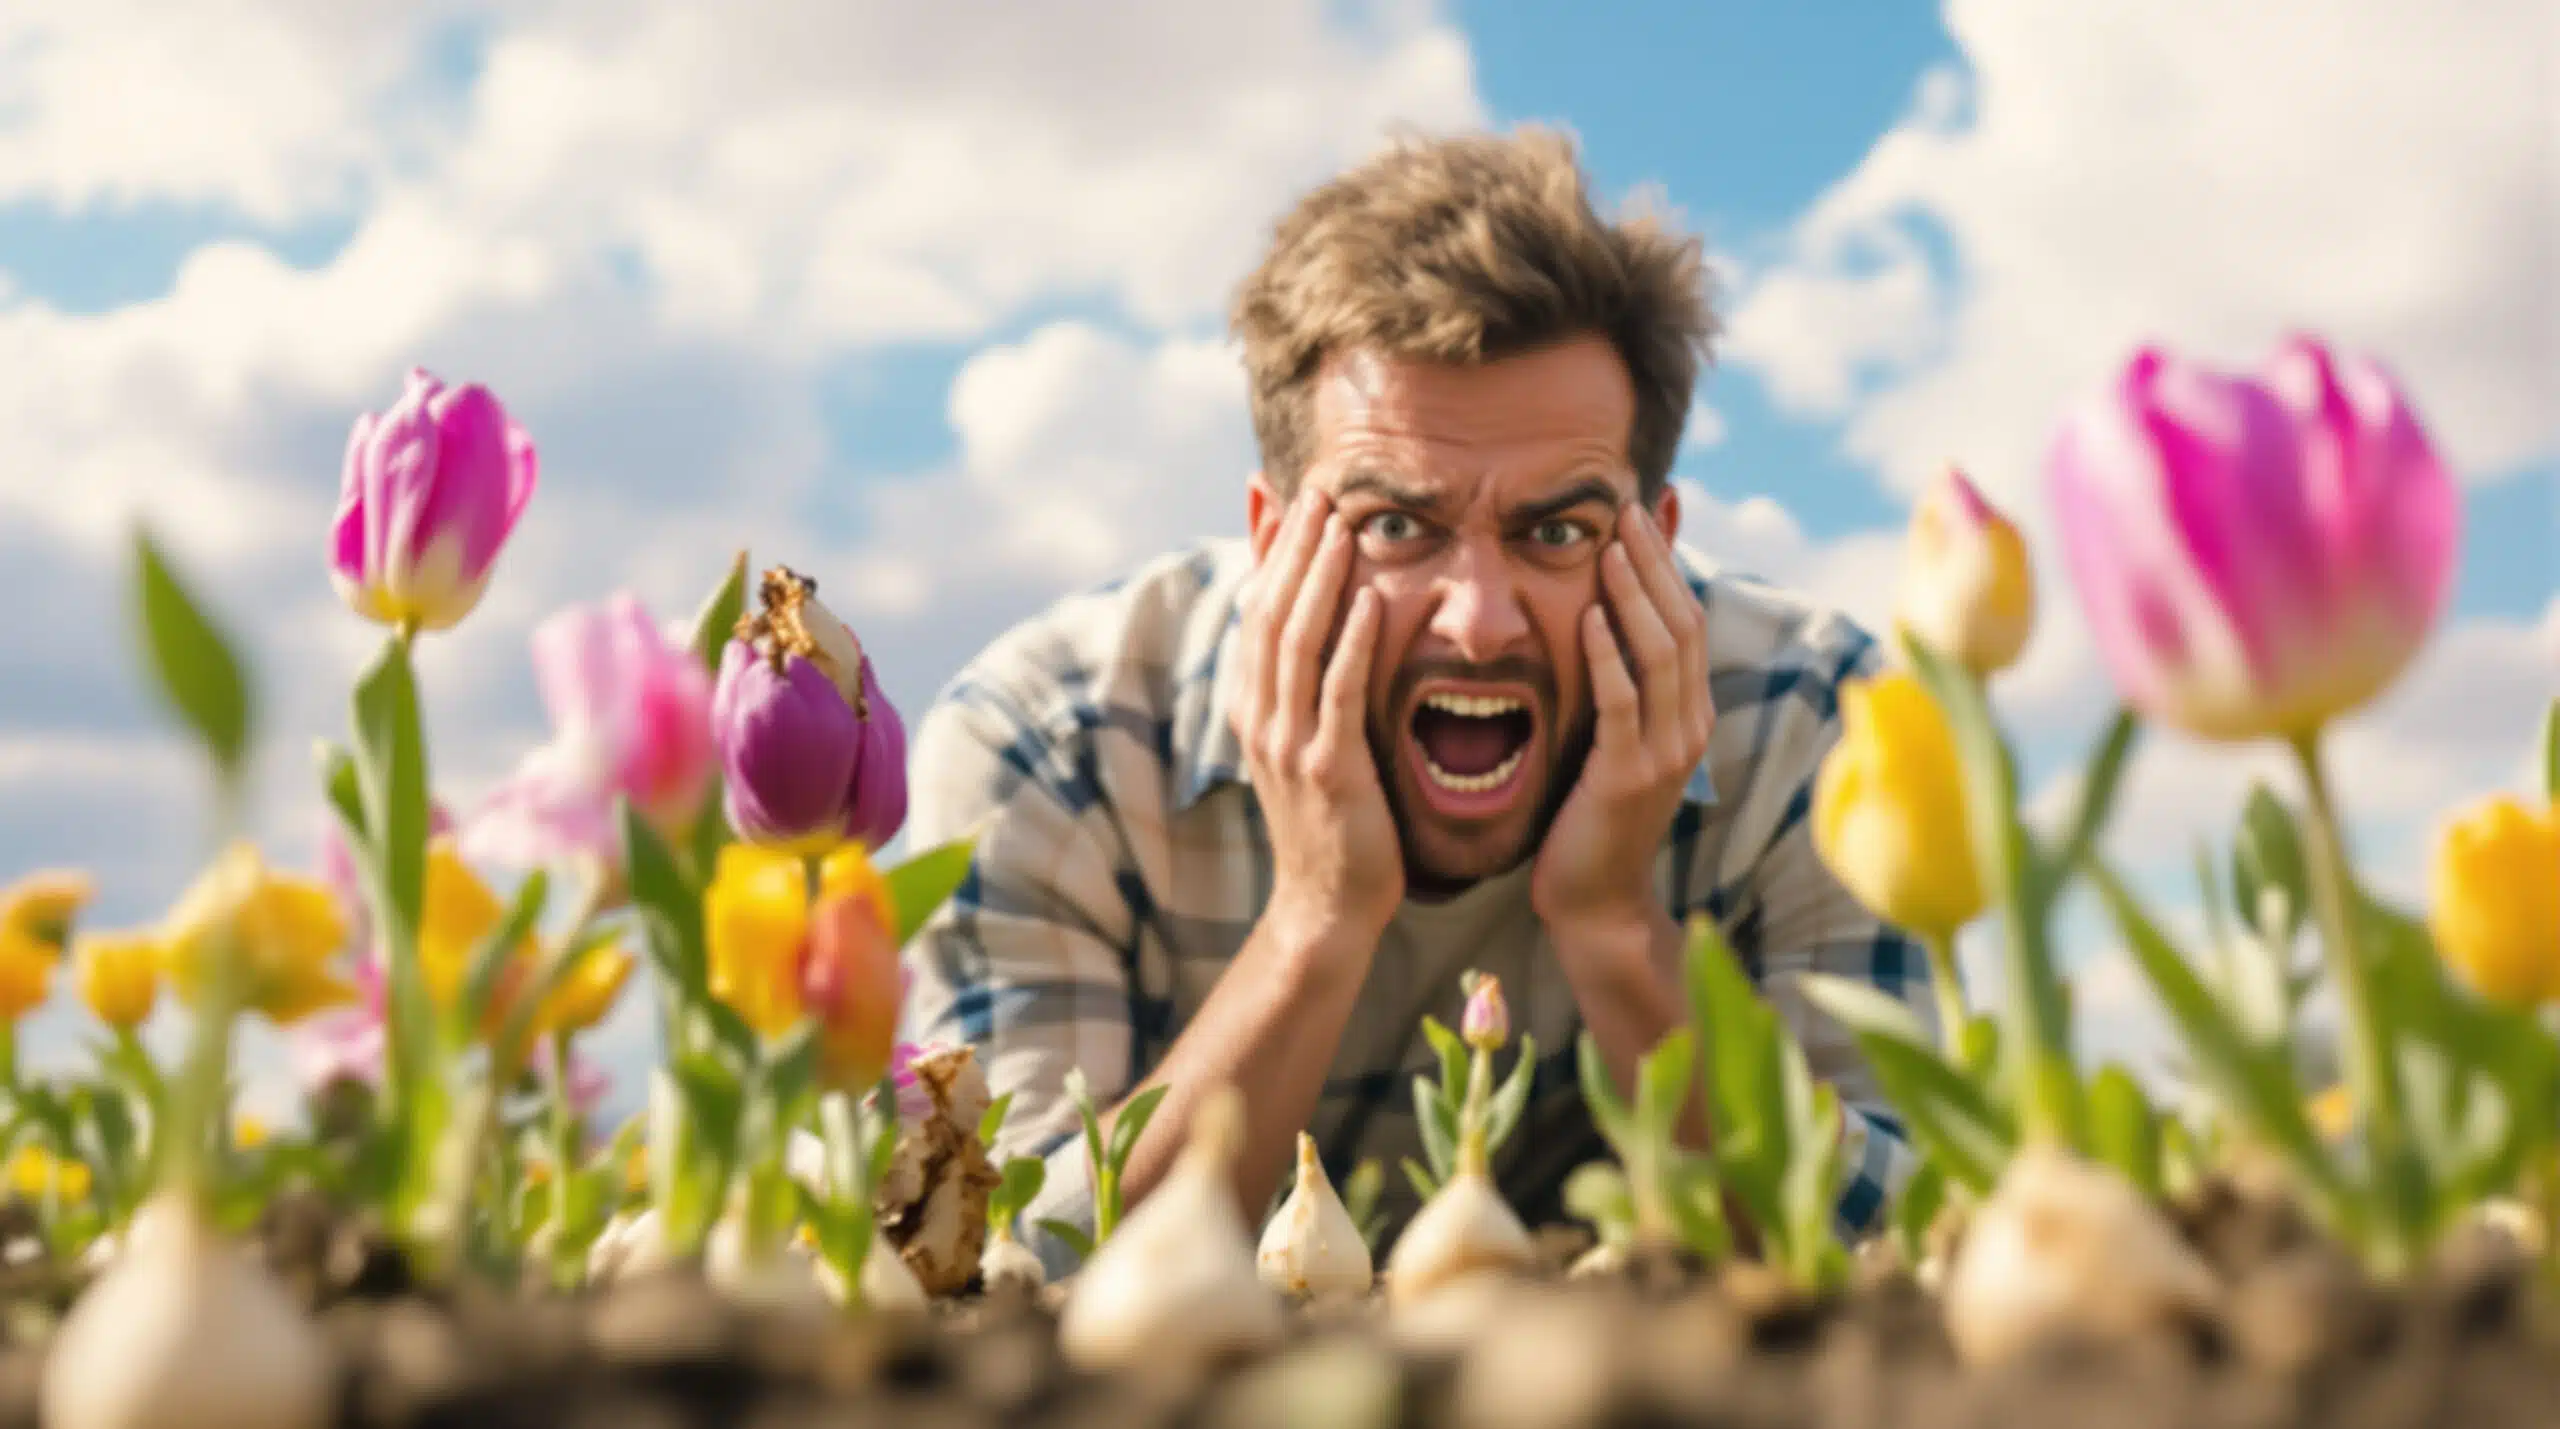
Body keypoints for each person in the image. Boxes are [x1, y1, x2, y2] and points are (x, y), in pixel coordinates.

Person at [898, 124, 1932, 1278]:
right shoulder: (1044, 744)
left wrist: (1614, 926)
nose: (1477, 619)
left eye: (1558, 531)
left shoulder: (1820, 728)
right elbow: (999, 1271)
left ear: (1658, 545)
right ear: (1270, 539)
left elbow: (1898, 1247)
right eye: (1397, 526)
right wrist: (1315, 915)